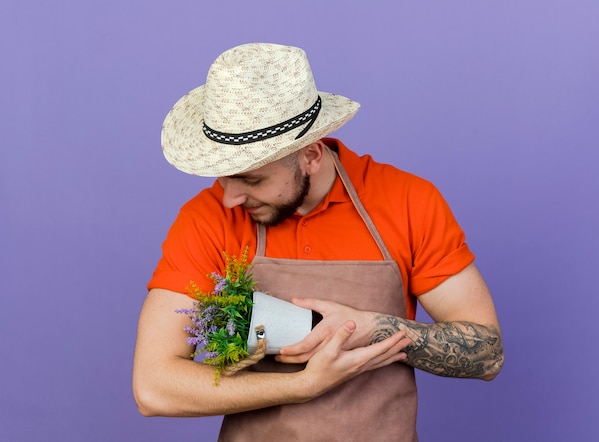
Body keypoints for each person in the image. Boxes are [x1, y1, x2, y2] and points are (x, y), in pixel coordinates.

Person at [132, 43, 504, 441]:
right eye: (224, 176)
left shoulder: (408, 201)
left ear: (311, 155)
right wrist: (302, 386)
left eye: (252, 179)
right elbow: (153, 388)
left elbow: (488, 355)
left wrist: (376, 329)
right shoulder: (207, 218)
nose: (230, 198)